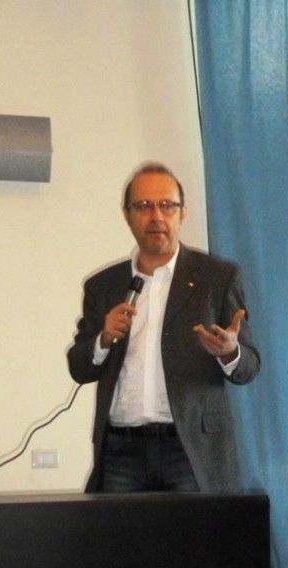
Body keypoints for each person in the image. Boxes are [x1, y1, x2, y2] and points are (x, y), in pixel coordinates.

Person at [67, 163, 260, 493]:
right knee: (118, 529)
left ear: (182, 213)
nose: (156, 216)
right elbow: (79, 368)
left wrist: (230, 352)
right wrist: (103, 339)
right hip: (121, 450)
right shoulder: (103, 286)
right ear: (127, 215)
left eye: (167, 205)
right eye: (143, 206)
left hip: (190, 448)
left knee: (194, 530)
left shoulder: (217, 278)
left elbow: (249, 368)